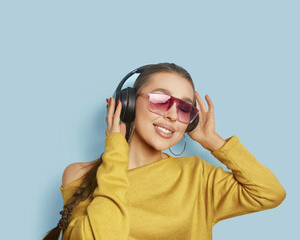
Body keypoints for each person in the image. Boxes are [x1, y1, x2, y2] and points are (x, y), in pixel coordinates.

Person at [43, 63, 286, 240]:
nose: (172, 115)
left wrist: (213, 141)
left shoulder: (198, 177)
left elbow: (269, 193)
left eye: (184, 108)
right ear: (127, 104)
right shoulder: (79, 174)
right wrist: (115, 148)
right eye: (160, 100)